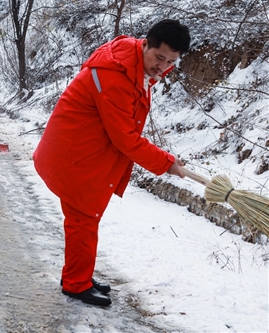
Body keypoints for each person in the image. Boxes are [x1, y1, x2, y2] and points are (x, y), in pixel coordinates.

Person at [33, 19, 190, 306]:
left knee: (85, 219)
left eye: (171, 62)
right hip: (74, 153)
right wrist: (166, 162)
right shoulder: (115, 77)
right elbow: (125, 138)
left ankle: (78, 274)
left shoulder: (131, 65)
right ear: (145, 44)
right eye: (159, 58)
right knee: (83, 219)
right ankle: (75, 283)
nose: (162, 67)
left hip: (85, 148)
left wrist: (165, 160)